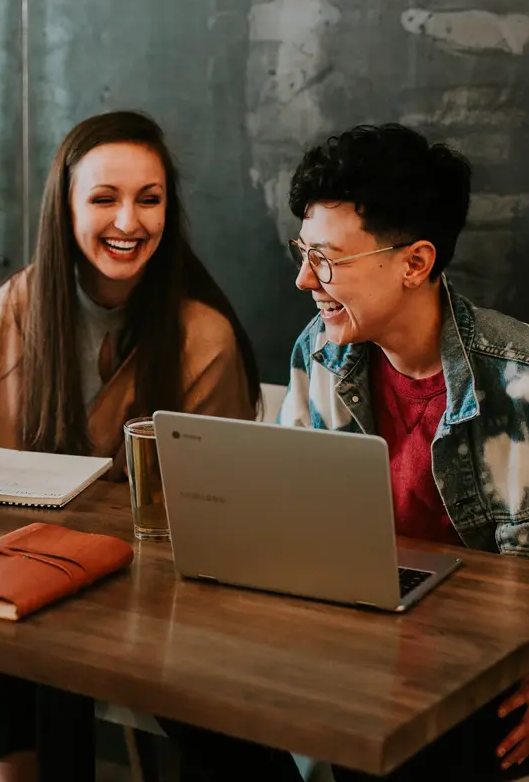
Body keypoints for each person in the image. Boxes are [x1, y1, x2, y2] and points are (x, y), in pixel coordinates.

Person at [172, 123, 529, 781]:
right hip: (355, 645)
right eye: (301, 253)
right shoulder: (319, 352)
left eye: (327, 259)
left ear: (415, 263)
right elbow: (288, 526)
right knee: (191, 695)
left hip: (470, 672)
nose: (305, 280)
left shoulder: (517, 380)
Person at [0, 110, 262, 781]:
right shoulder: (20, 305)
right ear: (63, 208)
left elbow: (211, 515)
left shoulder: (202, 337)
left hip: (155, 601)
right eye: (103, 199)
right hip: (24, 577)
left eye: (149, 200)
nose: (129, 222)